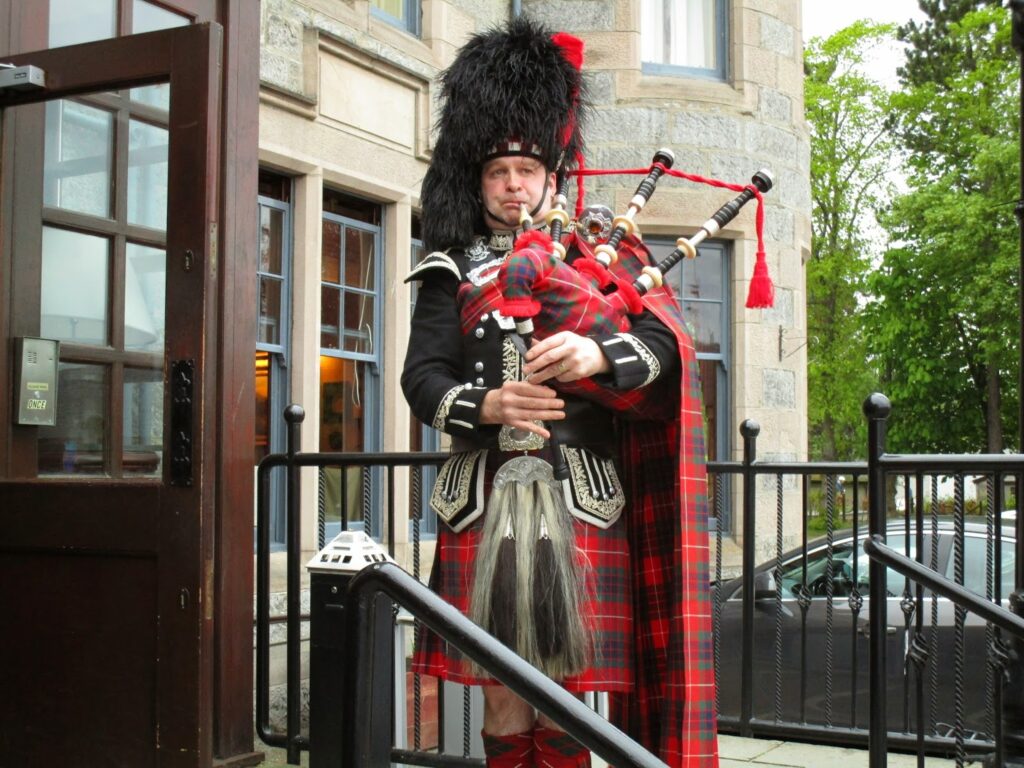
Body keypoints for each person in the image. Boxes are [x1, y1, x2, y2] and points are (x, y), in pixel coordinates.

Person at [402, 17, 718, 768]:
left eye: (527, 169)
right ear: (476, 182)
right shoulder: (449, 269)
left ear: (554, 177)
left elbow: (669, 355)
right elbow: (422, 379)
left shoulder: (603, 255)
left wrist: (597, 355)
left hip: (583, 495)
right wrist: (488, 407)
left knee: (571, 694)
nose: (514, 184)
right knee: (504, 690)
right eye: (497, 171)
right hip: (481, 491)